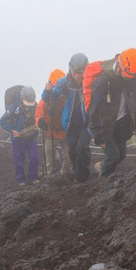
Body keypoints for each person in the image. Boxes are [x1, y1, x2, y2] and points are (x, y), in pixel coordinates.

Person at [85, 48, 136, 178]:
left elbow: (135, 101)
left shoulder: (133, 75)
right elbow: (93, 110)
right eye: (130, 77)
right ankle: (104, 181)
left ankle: (101, 166)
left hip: (121, 123)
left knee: (121, 155)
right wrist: (98, 137)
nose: (132, 80)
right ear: (120, 67)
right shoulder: (102, 81)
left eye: (135, 76)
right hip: (105, 126)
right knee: (113, 156)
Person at [41, 52, 90, 183]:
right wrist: (48, 90)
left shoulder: (90, 80)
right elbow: (48, 97)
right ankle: (78, 173)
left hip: (86, 123)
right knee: (73, 151)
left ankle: (81, 178)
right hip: (70, 124)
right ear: (70, 69)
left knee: (82, 148)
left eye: (81, 72)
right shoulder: (64, 83)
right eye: (75, 72)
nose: (78, 76)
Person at [0, 86, 39, 185]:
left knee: (35, 157)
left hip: (31, 135)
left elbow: (38, 115)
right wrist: (12, 130)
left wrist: (37, 122)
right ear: (22, 98)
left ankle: (33, 178)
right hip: (17, 137)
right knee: (19, 159)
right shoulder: (14, 107)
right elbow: (2, 121)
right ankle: (20, 179)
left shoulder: (35, 104)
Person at [35, 69, 69, 176]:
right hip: (50, 132)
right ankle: (49, 177)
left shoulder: (67, 98)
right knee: (49, 159)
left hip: (64, 131)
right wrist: (40, 121)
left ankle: (64, 174)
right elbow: (39, 113)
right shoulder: (45, 99)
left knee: (68, 157)